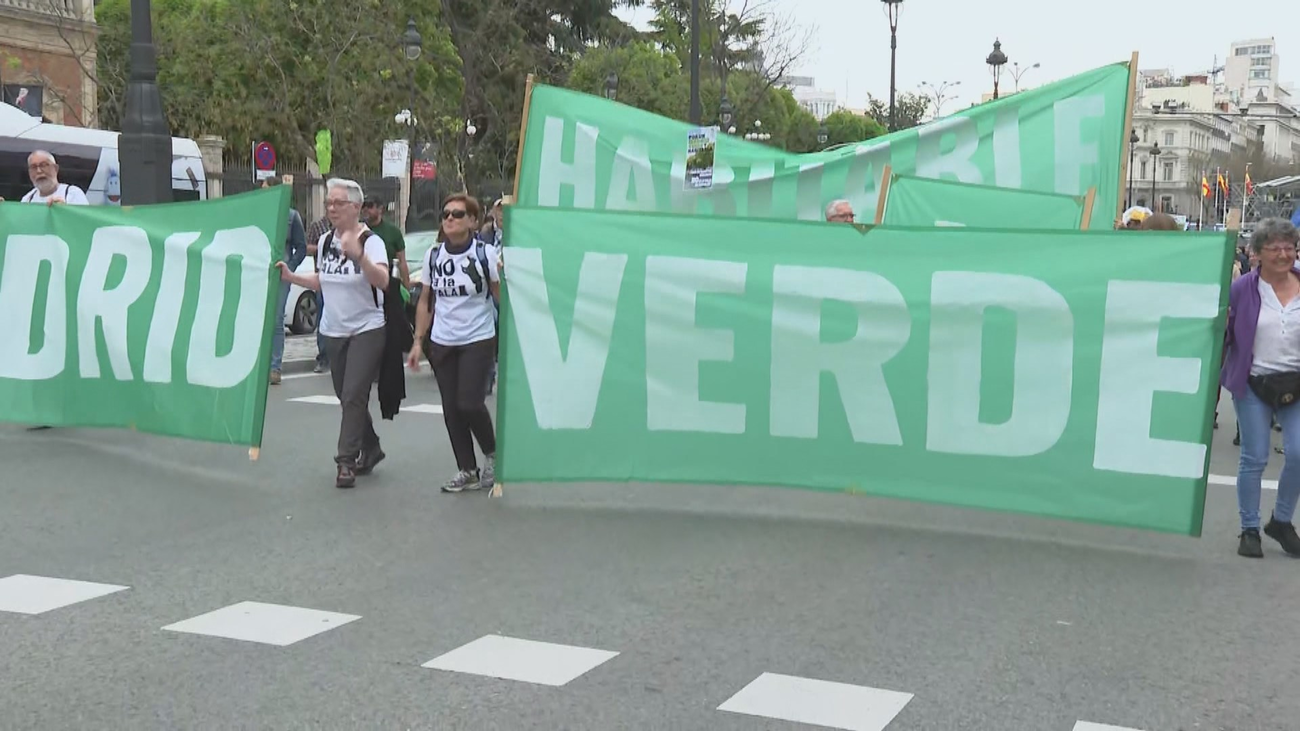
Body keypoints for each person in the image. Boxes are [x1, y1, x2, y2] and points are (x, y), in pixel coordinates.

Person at [278, 179, 391, 488]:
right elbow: (324, 280)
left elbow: (383, 280)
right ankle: (371, 447)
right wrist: (292, 276)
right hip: (333, 330)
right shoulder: (327, 241)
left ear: (356, 207)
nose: (331, 208)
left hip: (367, 328)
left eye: (338, 203)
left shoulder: (372, 242)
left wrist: (360, 257)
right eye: (329, 203)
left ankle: (345, 461)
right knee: (346, 396)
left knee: (355, 393)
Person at [407, 193, 501, 493]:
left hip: (478, 337)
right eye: (446, 214)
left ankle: (493, 454)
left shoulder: (485, 255)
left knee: (470, 403)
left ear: (473, 221)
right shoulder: (434, 256)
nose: (449, 219)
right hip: (442, 341)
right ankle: (467, 469)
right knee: (451, 409)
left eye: (458, 214)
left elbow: (500, 296)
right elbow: (426, 301)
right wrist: (418, 342)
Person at [1221, 217, 1300, 558]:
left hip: (1295, 382)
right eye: (1275, 248)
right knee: (1254, 457)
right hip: (1253, 383)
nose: (1284, 254)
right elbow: (1226, 331)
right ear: (1257, 254)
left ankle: (1281, 521)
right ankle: (1249, 528)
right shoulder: (1243, 289)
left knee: (1298, 453)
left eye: (1290, 247)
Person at [262, 176, 307, 385]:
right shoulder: (258, 215)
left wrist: (290, 268)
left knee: (276, 319)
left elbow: (302, 246)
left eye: (267, 190)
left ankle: (275, 367)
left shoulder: (291, 217)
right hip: (260, 272)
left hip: (280, 273)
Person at [361, 196, 411, 288]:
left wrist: (407, 287)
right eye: (363, 206)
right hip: (361, 282)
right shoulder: (358, 230)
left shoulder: (393, 232)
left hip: (387, 282)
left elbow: (402, 262)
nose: (365, 209)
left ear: (380, 209)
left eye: (370, 206)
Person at [18, 150, 90, 205]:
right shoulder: (27, 199)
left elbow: (84, 221)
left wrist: (66, 210)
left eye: (43, 165)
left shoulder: (72, 193)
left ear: (55, 168)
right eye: (33, 167)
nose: (39, 171)